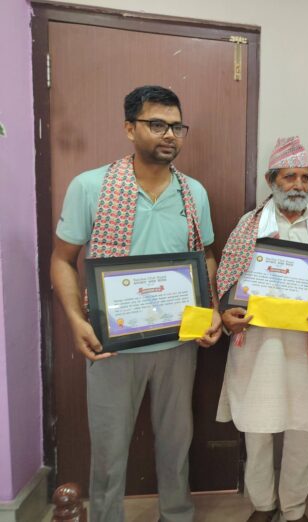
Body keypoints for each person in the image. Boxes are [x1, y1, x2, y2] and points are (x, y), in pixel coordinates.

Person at [50, 85, 222, 522]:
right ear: (129, 128)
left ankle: (176, 515)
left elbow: (205, 256)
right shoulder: (91, 187)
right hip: (112, 345)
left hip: (178, 342)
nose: (170, 135)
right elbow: (62, 260)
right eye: (157, 124)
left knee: (176, 442)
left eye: (177, 127)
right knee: (109, 450)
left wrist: (212, 310)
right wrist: (75, 320)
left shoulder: (193, 193)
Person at [215, 136, 308, 522]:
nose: (298, 185)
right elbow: (227, 282)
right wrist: (227, 312)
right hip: (259, 343)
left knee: (304, 429)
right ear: (271, 181)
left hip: (306, 343)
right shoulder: (248, 226)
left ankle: (294, 510)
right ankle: (263, 505)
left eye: (305, 177)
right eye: (289, 177)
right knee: (257, 427)